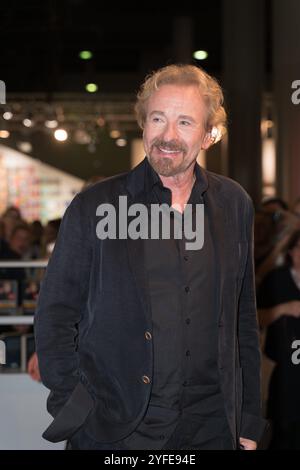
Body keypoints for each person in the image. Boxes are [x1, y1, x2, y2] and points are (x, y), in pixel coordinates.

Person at [35, 64, 267, 450]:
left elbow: (243, 319)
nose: (168, 136)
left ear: (209, 135)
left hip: (211, 426)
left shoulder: (234, 204)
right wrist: (74, 408)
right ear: (143, 124)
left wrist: (248, 420)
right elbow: (55, 314)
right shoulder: (96, 206)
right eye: (158, 119)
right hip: (117, 430)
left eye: (185, 122)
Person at [257, 230, 300, 449]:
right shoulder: (277, 279)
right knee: (284, 433)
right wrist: (285, 309)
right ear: (292, 252)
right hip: (285, 370)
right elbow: (255, 317)